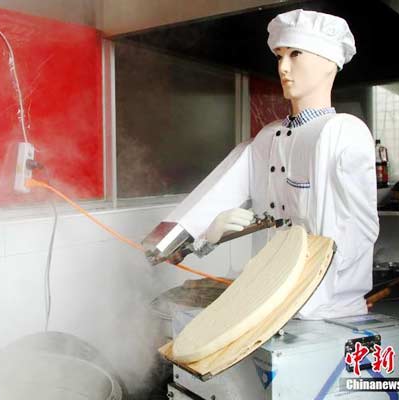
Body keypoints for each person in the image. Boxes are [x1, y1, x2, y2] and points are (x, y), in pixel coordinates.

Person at [161, 9, 379, 320]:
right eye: (279, 56)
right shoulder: (267, 137)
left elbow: (360, 230)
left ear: (329, 62)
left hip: (325, 311)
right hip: (270, 304)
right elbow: (222, 188)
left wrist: (323, 285)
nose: (283, 67)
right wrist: (203, 233)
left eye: (295, 54)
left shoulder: (343, 132)